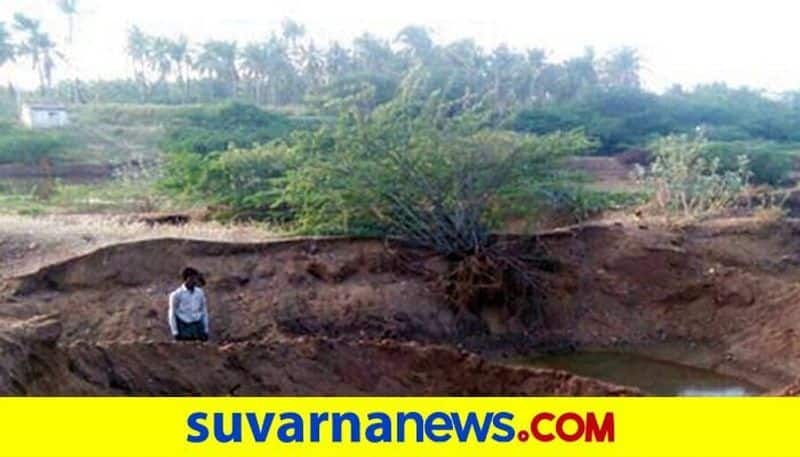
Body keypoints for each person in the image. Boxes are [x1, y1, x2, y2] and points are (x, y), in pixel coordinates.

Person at [168, 267, 209, 341]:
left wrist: (205, 330)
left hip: (197, 325)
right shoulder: (177, 295)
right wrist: (175, 332)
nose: (195, 281)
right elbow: (172, 314)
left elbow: (204, 311)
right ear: (187, 278)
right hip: (184, 325)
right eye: (193, 278)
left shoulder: (200, 293)